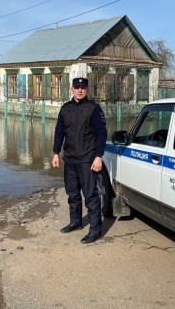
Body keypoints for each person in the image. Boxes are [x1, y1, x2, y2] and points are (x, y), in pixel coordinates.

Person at [52, 77, 107, 244]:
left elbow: (101, 134)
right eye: (77, 87)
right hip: (69, 158)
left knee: (91, 195)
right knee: (72, 193)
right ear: (71, 89)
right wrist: (56, 152)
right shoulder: (65, 109)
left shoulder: (94, 109)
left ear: (87, 90)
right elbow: (59, 131)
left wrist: (98, 156)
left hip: (87, 158)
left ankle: (95, 229)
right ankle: (75, 222)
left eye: (83, 87)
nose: (80, 90)